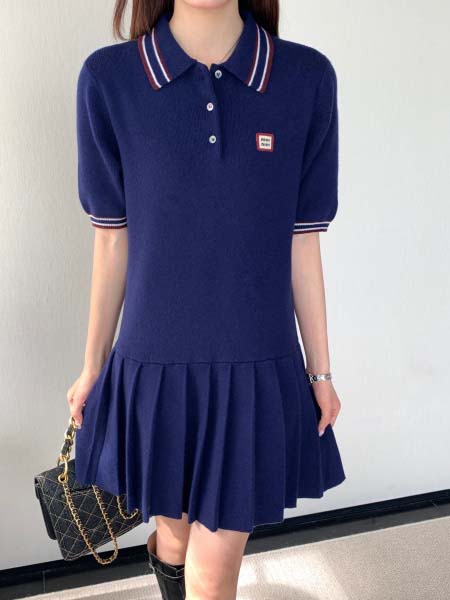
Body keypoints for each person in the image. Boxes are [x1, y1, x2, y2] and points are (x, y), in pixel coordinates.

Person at [66, 0, 346, 598]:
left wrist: (320, 371)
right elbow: (111, 238)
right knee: (174, 538)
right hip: (152, 367)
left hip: (254, 365)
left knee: (214, 573)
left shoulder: (306, 78)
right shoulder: (109, 79)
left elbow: (303, 241)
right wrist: (93, 366)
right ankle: (167, 562)